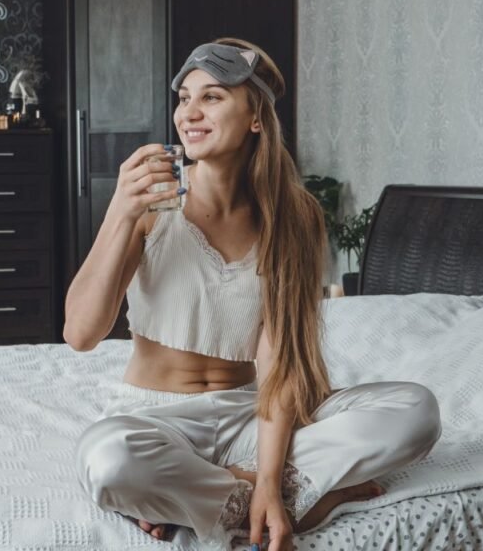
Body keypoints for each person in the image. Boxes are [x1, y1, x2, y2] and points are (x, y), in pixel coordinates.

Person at [64, 38, 441, 551]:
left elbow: (280, 362)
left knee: (414, 410)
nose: (189, 114)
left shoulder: (296, 216)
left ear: (256, 118)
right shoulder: (151, 201)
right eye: (184, 99)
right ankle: (306, 499)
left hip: (250, 415)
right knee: (107, 460)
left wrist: (266, 478)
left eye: (213, 97)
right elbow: (81, 334)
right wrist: (119, 212)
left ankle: (215, 500)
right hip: (157, 418)